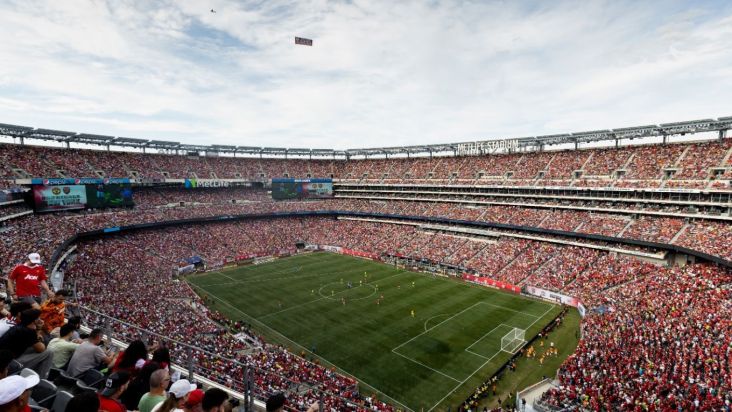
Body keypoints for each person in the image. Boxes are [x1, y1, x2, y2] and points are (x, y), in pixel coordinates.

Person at [0, 309, 53, 378]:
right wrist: (39, 329)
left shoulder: (19, 326)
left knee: (34, 348)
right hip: (10, 362)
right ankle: (41, 379)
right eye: (38, 318)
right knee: (49, 352)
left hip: (6, 356)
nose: (40, 320)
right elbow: (41, 349)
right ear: (34, 320)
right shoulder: (29, 331)